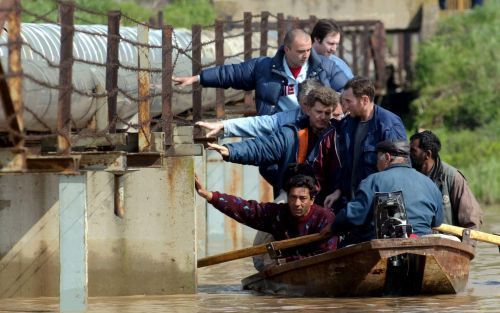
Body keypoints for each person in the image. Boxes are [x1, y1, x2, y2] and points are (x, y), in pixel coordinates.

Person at [173, 29, 351, 116]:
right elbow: (231, 73)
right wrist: (198, 78)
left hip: (317, 130)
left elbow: (349, 89)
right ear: (286, 49)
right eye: (300, 51)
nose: (305, 55)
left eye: (308, 50)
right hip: (280, 130)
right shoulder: (264, 68)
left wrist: (338, 108)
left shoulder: (325, 67)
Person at [207, 86, 341, 198]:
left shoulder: (339, 135)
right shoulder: (291, 134)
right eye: (319, 112)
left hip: (329, 199)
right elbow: (262, 148)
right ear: (308, 109)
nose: (323, 117)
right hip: (294, 197)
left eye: (327, 113)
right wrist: (231, 151)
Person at [195, 173, 337, 270]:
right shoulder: (278, 213)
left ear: (312, 200)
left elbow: (325, 256)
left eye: (302, 198)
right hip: (280, 266)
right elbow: (246, 209)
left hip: (307, 266)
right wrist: (209, 195)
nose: (297, 203)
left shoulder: (325, 218)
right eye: (292, 197)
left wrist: (284, 261)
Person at [323, 140, 443, 245]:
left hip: (387, 249)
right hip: (423, 246)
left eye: (377, 159)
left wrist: (334, 225)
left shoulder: (374, 180)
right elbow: (437, 221)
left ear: (387, 157)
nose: (376, 164)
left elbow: (354, 215)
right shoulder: (430, 184)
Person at [333, 76, 407, 200]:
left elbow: (399, 172)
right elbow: (346, 165)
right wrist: (339, 191)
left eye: (348, 101)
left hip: (379, 201)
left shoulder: (389, 125)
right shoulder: (347, 124)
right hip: (353, 201)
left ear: (365, 100)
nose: (344, 106)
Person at [409, 130, 483, 229]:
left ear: (427, 154)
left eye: (413, 151)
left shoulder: (452, 177)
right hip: (417, 238)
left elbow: (472, 219)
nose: (408, 154)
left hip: (447, 240)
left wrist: (466, 244)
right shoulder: (408, 175)